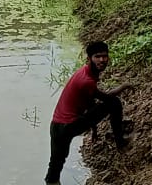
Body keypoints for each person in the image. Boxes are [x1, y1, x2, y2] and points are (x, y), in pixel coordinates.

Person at [45, 41, 128, 185]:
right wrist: (125, 86)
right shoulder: (86, 81)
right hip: (68, 126)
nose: (102, 60)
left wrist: (94, 130)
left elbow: (90, 104)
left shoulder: (84, 71)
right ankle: (120, 143)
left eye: (104, 56)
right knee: (114, 103)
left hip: (56, 125)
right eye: (97, 57)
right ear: (89, 59)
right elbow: (106, 99)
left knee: (55, 165)